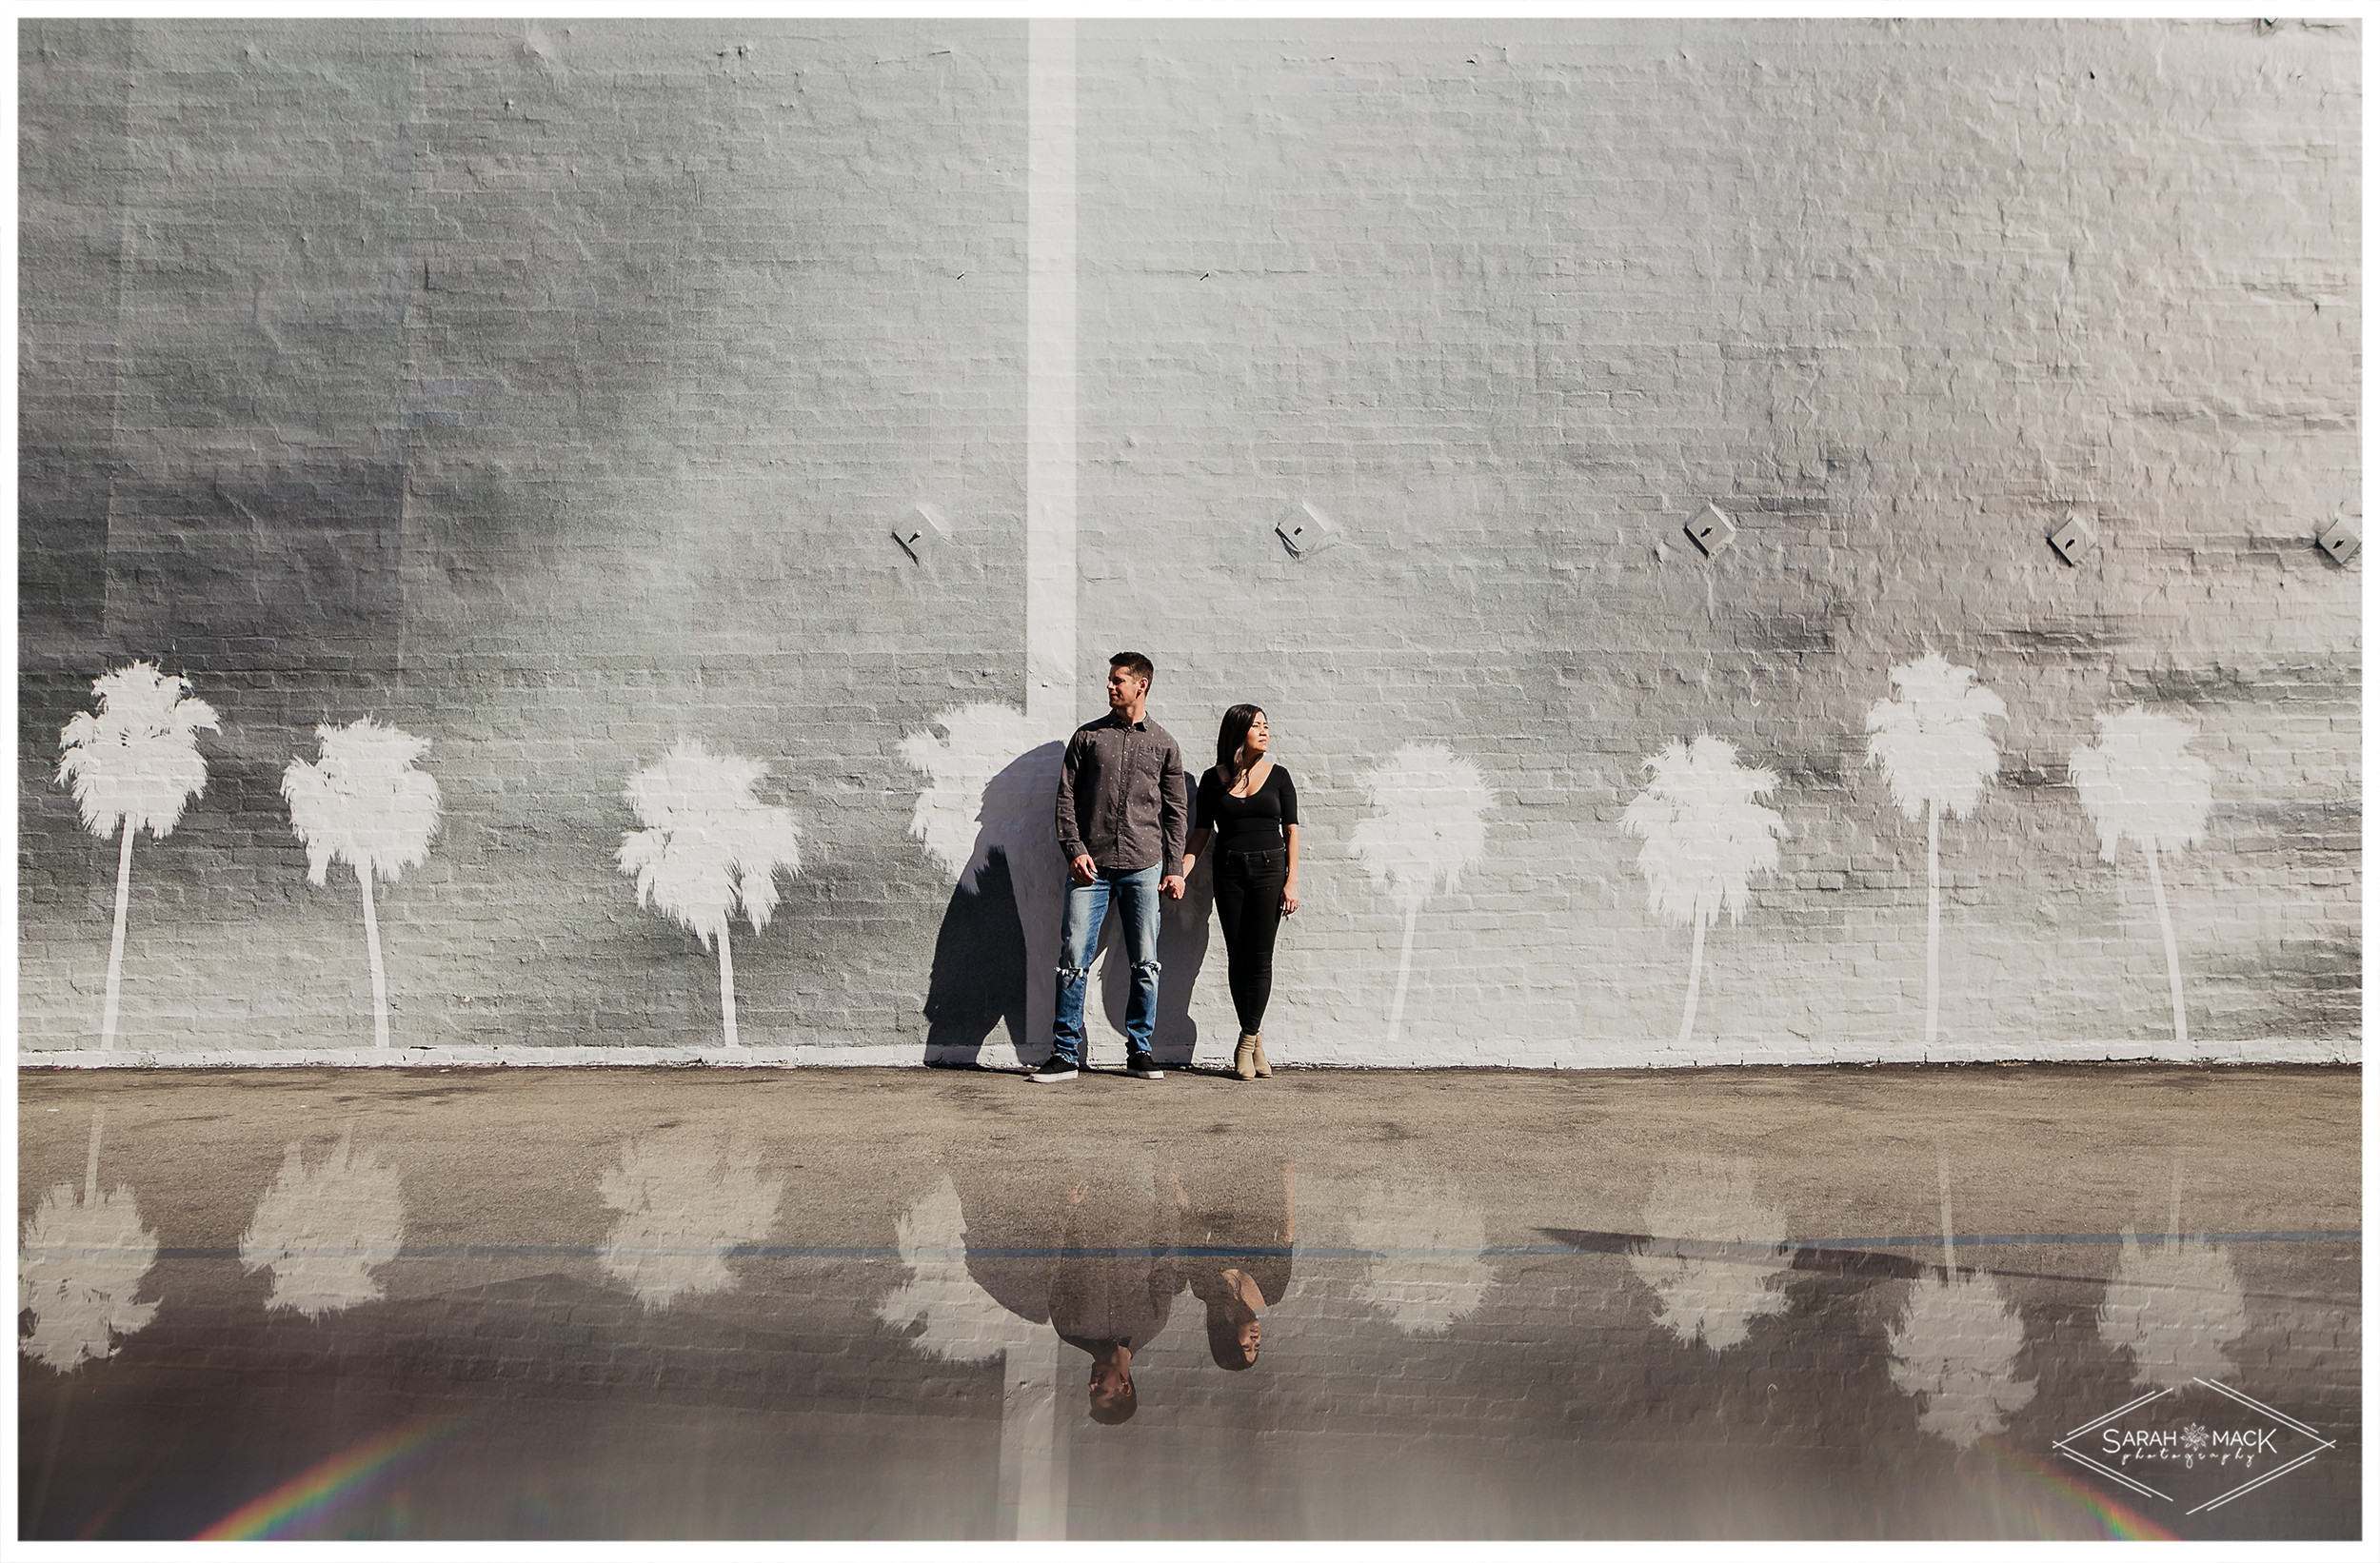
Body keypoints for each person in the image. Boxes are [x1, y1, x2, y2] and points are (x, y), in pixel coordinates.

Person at [1034, 652, 1188, 1082]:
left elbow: (1176, 813)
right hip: (1091, 866)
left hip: (1143, 865)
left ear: (1141, 685)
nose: (1109, 687)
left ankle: (1140, 1050)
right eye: (1109, 680)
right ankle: (1065, 1054)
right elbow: (1065, 799)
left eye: (1118, 680)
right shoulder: (1087, 738)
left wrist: (1174, 867)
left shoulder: (1164, 744)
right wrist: (1074, 848)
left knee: (1146, 961)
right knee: (1072, 957)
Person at [1180, 704, 1299, 1081]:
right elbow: (1201, 832)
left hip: (1269, 870)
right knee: (1237, 957)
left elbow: (1292, 832)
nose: (1264, 732)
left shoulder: (1279, 777)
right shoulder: (1212, 780)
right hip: (1229, 871)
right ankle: (1255, 1039)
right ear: (1237, 732)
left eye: (1267, 725)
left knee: (1260, 958)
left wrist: (1291, 880)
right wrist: (1180, 871)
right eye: (1256, 726)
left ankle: (1246, 1040)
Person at [1185, 1157, 1295, 1371]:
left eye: (1247, 1346)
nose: (1255, 1340)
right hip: (1266, 1188)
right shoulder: (1272, 1293)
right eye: (1257, 1346)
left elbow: (1192, 1231)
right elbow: (1286, 1235)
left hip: (1218, 1189)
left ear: (1227, 1339)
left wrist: (1180, 1184)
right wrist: (1287, 1179)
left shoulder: (1203, 1290)